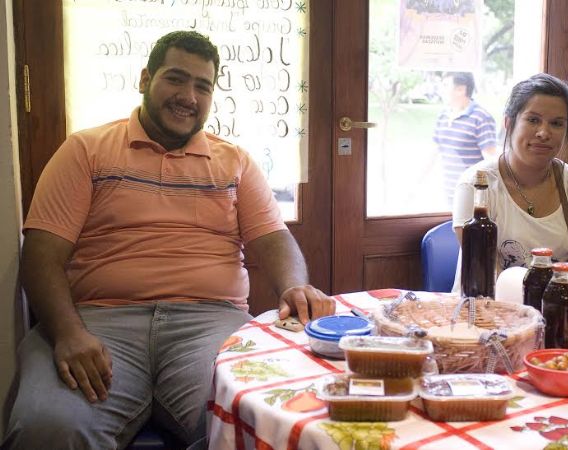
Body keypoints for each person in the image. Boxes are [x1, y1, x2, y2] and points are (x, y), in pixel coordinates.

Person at [1, 30, 335, 450]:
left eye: (202, 86)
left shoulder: (234, 162)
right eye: (176, 79)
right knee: (47, 429)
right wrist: (68, 332)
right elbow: (42, 252)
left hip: (212, 326)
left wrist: (293, 285)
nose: (188, 96)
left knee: (259, 420)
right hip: (98, 324)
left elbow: (274, 238)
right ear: (145, 79)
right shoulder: (85, 150)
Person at [452, 73, 568, 286]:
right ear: (508, 123)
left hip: (556, 313)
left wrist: (553, 305)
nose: (544, 132)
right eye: (533, 120)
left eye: (557, 123)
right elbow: (487, 274)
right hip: (488, 311)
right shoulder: (477, 185)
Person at [433, 72, 497, 204]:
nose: (440, 89)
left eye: (445, 85)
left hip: (472, 197)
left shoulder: (481, 117)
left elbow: (491, 162)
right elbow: (433, 153)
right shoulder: (442, 116)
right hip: (449, 194)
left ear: (461, 89)